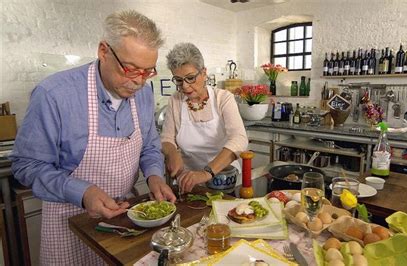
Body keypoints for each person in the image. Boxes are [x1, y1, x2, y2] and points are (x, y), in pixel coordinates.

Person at [10, 10, 175, 265]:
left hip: (123, 218)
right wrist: (83, 192)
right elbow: (27, 166)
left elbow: (150, 146)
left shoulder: (143, 95)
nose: (138, 83)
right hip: (68, 221)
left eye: (147, 72)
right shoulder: (54, 94)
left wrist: (154, 175)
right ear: (103, 51)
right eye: (131, 70)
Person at [161, 43, 248, 193]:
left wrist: (206, 173)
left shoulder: (223, 98)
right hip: (189, 181)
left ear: (204, 73)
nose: (185, 87)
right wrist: (172, 153)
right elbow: (167, 139)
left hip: (224, 178)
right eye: (179, 80)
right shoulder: (175, 101)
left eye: (190, 78)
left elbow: (239, 139)